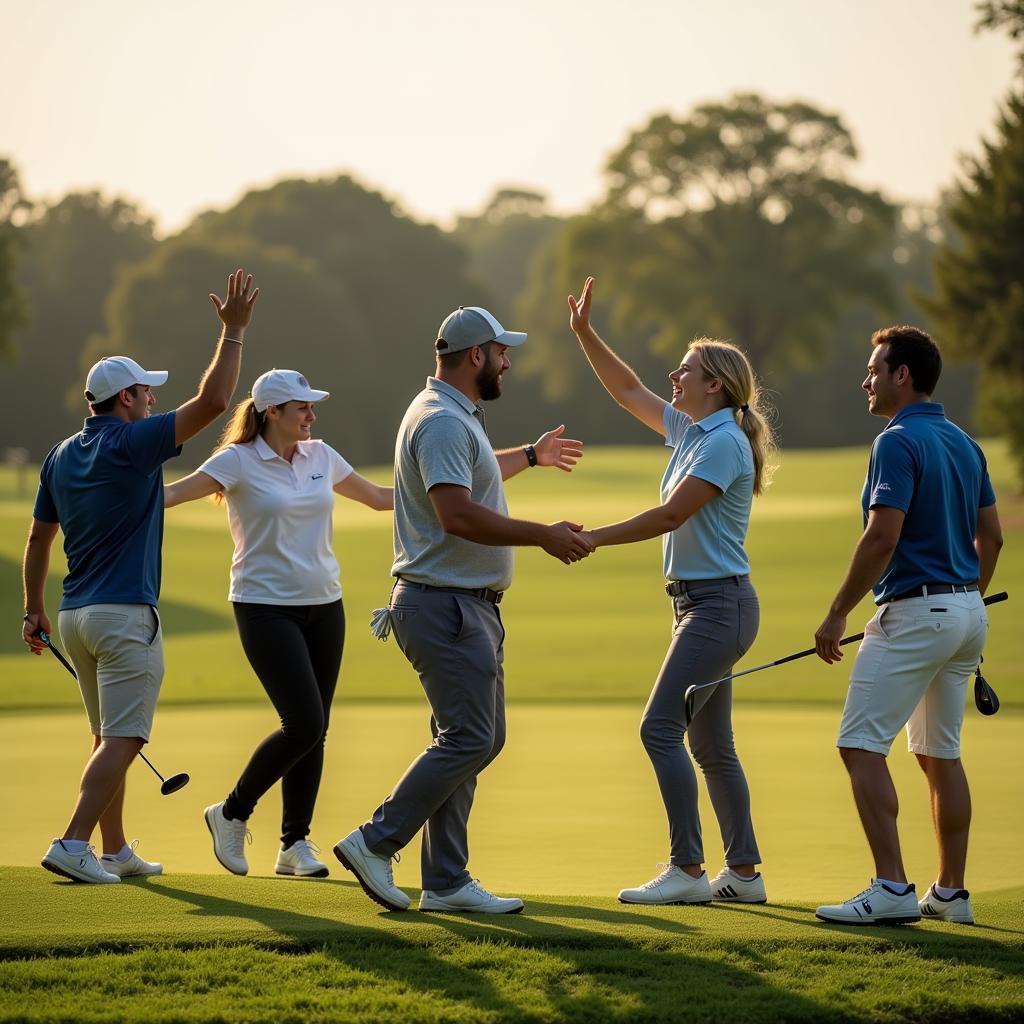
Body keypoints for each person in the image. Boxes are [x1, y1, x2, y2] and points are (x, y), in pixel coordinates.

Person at [333, 304, 592, 914]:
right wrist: (542, 535)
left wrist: (530, 455)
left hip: (458, 606)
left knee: (474, 737)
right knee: (472, 735)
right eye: (503, 352)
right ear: (477, 356)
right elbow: (456, 512)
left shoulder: (450, 416)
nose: (509, 362)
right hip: (445, 605)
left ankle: (446, 880)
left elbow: (469, 477)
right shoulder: (442, 422)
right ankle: (376, 841)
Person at [22, 269, 258, 884]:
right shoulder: (132, 444)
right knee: (125, 739)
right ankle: (73, 843)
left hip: (73, 617)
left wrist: (32, 609)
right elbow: (213, 404)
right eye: (146, 393)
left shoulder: (59, 455)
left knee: (107, 735)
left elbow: (38, 538)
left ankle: (115, 849)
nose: (154, 399)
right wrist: (232, 333)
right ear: (124, 400)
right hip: (126, 616)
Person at [566, 277, 775, 907]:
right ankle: (743, 874)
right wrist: (584, 334)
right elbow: (629, 390)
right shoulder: (693, 433)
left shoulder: (724, 444)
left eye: (683, 371)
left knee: (659, 729)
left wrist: (594, 538)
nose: (672, 377)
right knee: (711, 744)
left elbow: (668, 516)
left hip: (718, 606)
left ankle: (688, 869)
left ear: (714, 384)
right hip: (702, 605)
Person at [164, 368, 393, 879]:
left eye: (312, 407)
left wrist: (453, 490)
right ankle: (230, 813)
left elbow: (379, 498)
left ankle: (294, 844)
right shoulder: (238, 461)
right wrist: (106, 493)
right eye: (302, 408)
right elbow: (172, 494)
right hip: (263, 606)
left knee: (318, 729)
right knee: (304, 723)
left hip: (323, 604)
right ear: (273, 413)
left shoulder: (321, 455)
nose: (312, 415)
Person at [814, 325, 1002, 927]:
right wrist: (963, 598)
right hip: (966, 613)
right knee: (940, 754)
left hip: (916, 612)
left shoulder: (895, 441)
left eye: (874, 369)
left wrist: (838, 610)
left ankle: (892, 888)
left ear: (902, 375)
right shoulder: (964, 442)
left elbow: (881, 537)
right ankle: (951, 895)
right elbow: (990, 537)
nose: (865, 379)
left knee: (860, 744)